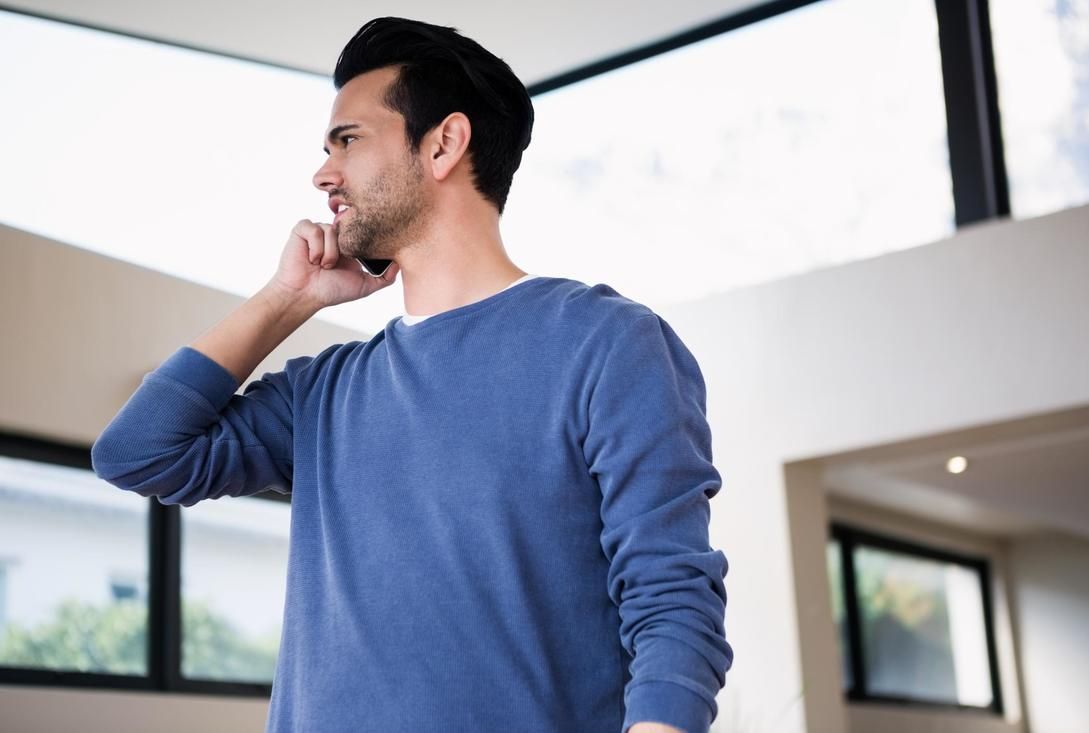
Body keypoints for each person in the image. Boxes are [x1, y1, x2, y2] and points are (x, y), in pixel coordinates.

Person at [91, 16, 733, 733]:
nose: (323, 173)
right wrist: (289, 298)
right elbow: (137, 453)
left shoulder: (607, 344)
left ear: (443, 144)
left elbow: (674, 605)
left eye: (349, 140)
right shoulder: (323, 394)